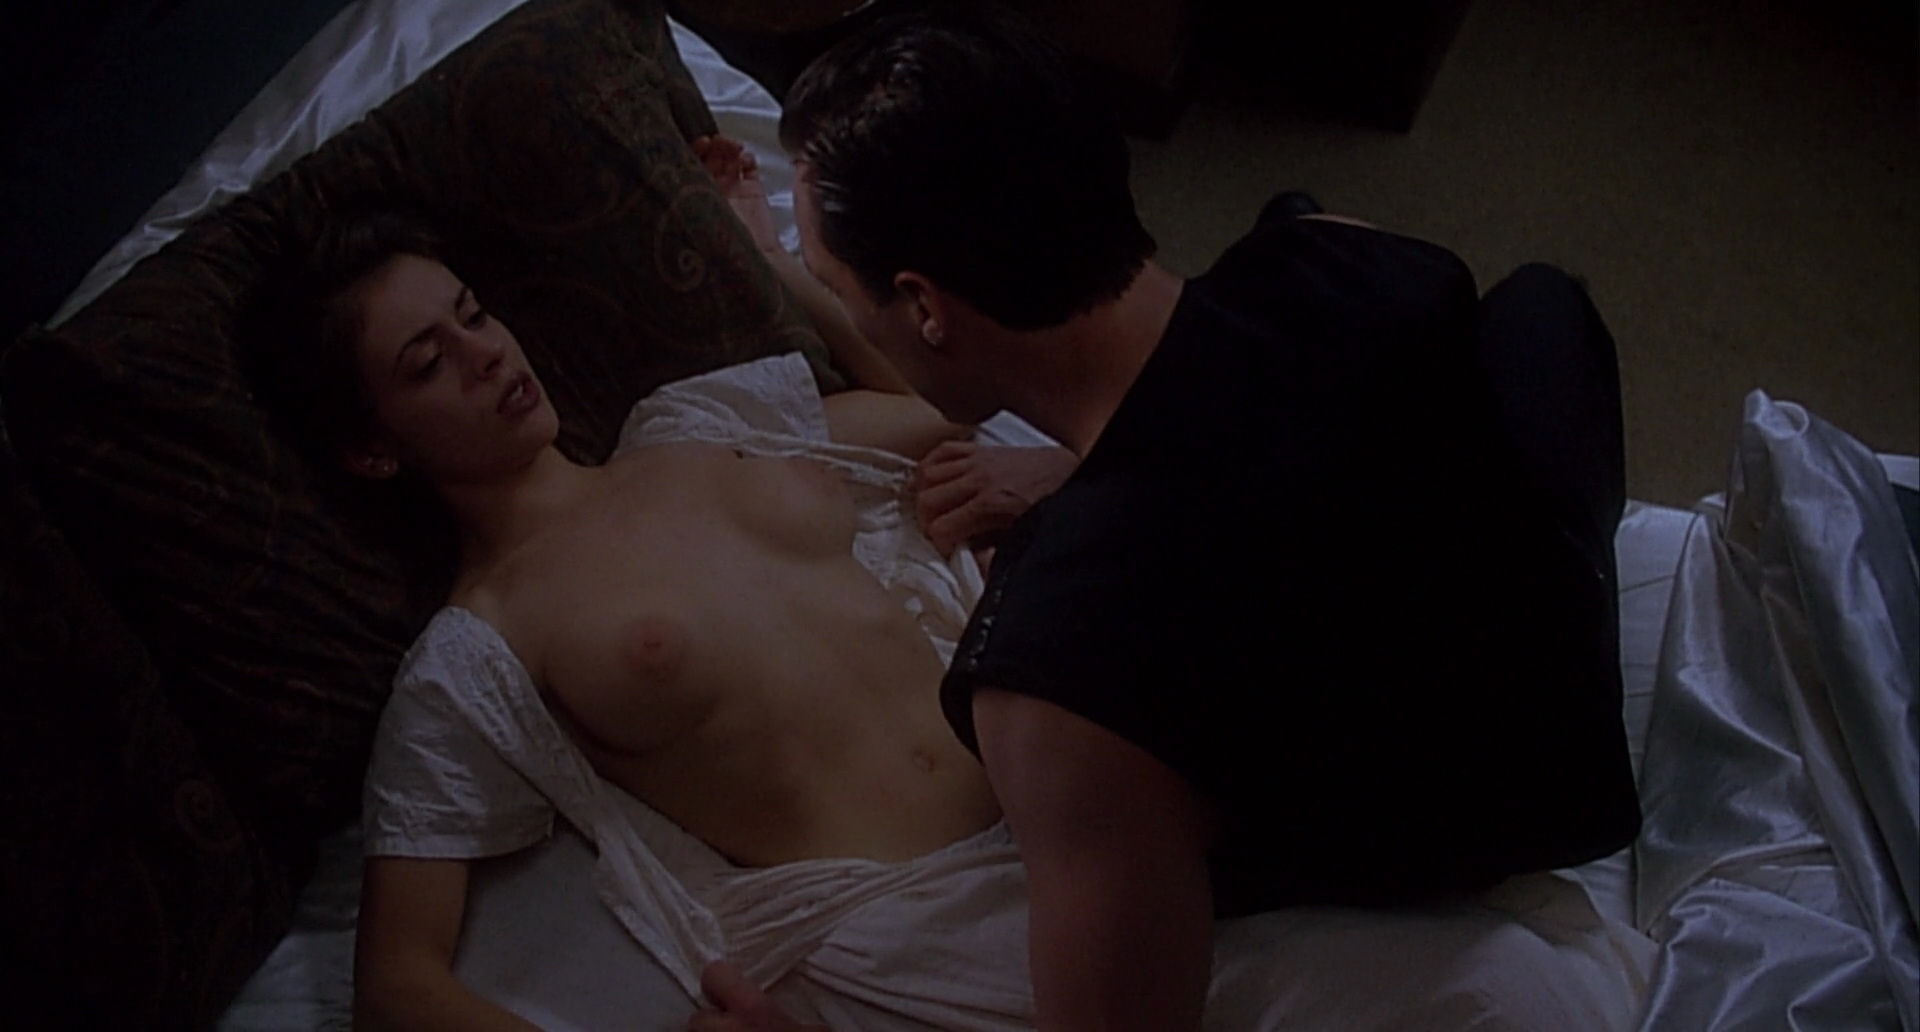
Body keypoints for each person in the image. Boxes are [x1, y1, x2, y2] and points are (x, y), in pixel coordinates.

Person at [697, 6, 1643, 1030]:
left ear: (925, 307)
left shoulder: (1053, 674)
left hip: (1506, 798)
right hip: (1535, 641)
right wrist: (1083, 470)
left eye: (840, 287)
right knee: (1526, 300)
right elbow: (1249, 431)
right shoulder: (1343, 259)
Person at [250, 136, 1014, 1031]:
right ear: (373, 451)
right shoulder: (477, 648)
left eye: (474, 315)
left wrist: (771, 262)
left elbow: (938, 405)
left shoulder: (694, 422)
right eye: (427, 363)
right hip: (915, 929)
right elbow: (395, 989)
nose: (484, 354)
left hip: (1048, 772)